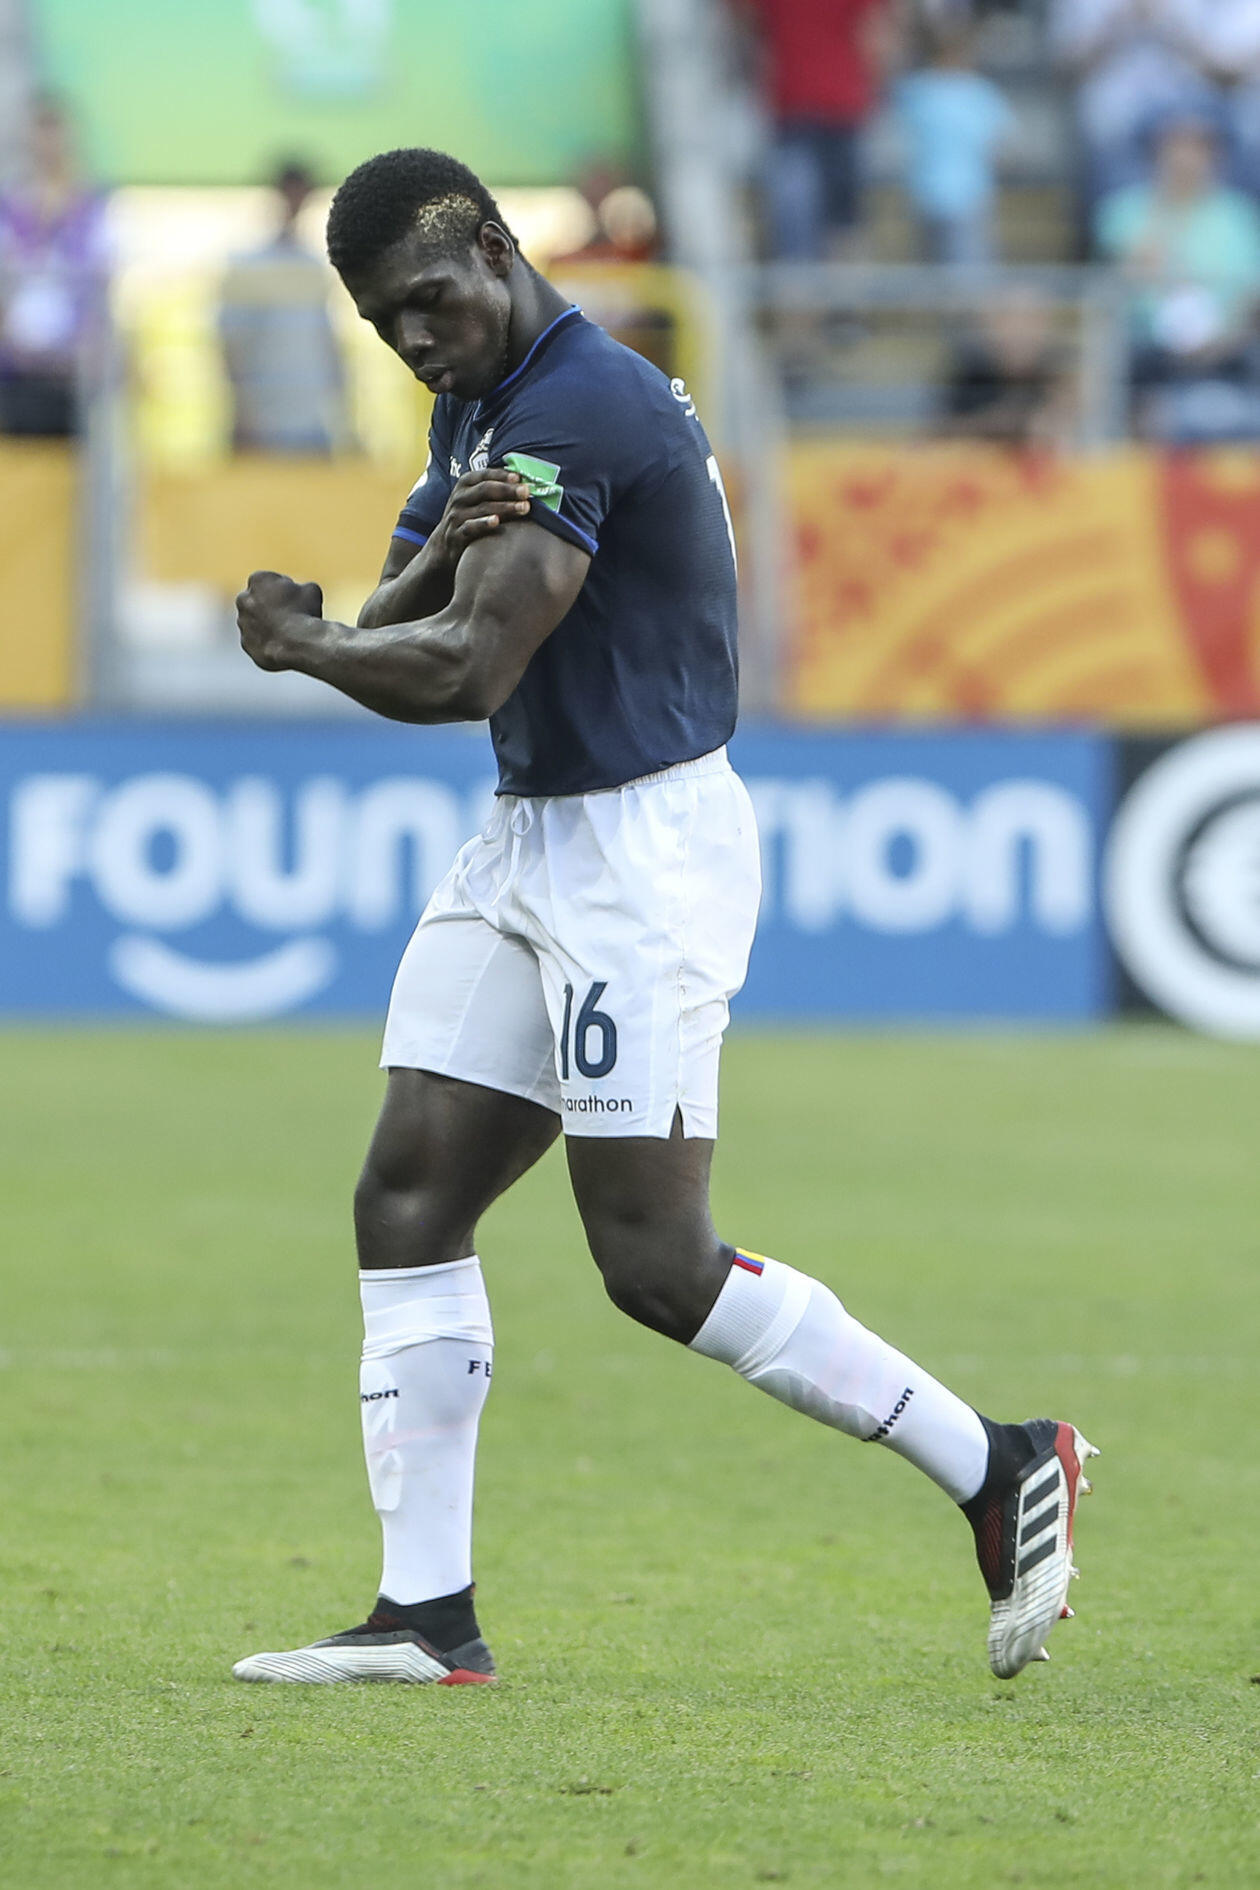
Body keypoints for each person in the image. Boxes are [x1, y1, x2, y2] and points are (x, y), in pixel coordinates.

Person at [231, 147, 1097, 1689]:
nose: (413, 339)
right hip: (531, 835)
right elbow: (403, 606)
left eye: (427, 300)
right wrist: (359, 605)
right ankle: (427, 1615)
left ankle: (1000, 1458)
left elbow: (462, 668)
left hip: (642, 852)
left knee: (652, 1258)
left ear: (495, 247)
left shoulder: (581, 405)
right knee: (408, 1193)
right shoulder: (482, 396)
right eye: (382, 322)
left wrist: (299, 647)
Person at [1095, 112, 1260, 433]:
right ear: (1155, 154)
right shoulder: (1124, 210)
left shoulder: (1239, 215)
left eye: (1197, 148)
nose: (1185, 159)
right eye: (1175, 147)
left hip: (1229, 347)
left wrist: (1225, 340)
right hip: (1146, 347)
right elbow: (1115, 283)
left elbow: (1252, 293)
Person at [737, 0, 899, 258]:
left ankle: (805, 273)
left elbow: (746, 27)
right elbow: (877, 35)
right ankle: (828, 272)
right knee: (838, 216)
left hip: (803, 102)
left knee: (799, 208)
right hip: (833, 102)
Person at [218, 160, 348, 455]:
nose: (295, 204)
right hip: (263, 428)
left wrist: (343, 418)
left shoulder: (313, 267)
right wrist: (243, 416)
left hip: (313, 426)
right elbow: (232, 346)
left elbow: (327, 345)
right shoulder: (247, 266)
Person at [0, 93, 109, 438]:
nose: (47, 144)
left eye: (54, 132)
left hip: (74, 368)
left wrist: (89, 346)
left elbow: (103, 285)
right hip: (15, 364)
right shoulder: (9, 208)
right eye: (40, 133)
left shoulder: (94, 209)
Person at [895, 20, 1015, 265]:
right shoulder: (978, 92)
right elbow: (1003, 149)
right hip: (966, 196)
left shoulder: (917, 89)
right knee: (965, 274)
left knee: (933, 274)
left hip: (929, 194)